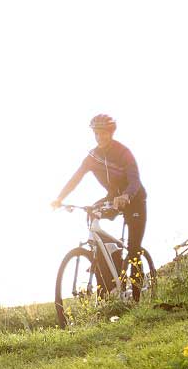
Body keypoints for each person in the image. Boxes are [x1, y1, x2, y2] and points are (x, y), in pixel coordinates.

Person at [51, 113, 148, 300]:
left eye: (103, 133)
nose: (99, 137)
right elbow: (76, 177)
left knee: (134, 248)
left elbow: (135, 180)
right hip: (112, 198)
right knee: (92, 216)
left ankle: (137, 300)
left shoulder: (123, 153)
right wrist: (59, 198)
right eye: (96, 133)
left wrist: (126, 195)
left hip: (134, 199)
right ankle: (107, 276)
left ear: (111, 132)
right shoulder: (92, 156)